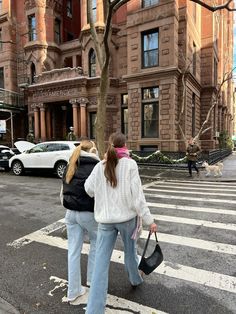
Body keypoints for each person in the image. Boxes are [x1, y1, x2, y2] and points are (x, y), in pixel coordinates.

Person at [84, 132, 157, 314]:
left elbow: (88, 189)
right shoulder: (130, 164)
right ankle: (135, 279)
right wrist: (149, 220)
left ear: (110, 145)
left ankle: (93, 310)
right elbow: (138, 197)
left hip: (105, 221)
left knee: (100, 263)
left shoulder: (100, 165)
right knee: (130, 252)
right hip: (127, 220)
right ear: (125, 145)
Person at [61, 140, 99, 305]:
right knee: (96, 245)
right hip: (89, 213)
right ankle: (92, 280)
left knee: (73, 252)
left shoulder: (71, 164)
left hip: (70, 213)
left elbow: (62, 193)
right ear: (93, 150)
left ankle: (73, 291)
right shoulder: (97, 167)